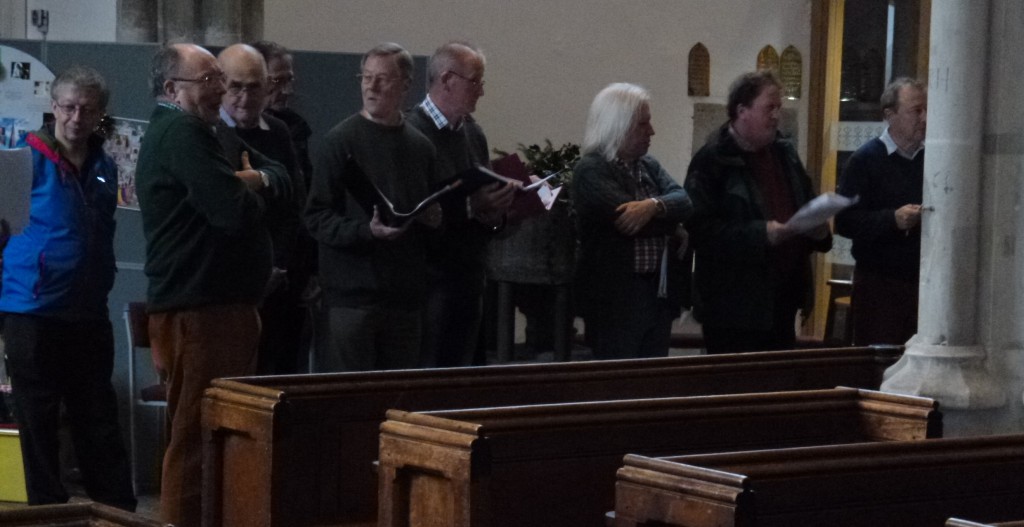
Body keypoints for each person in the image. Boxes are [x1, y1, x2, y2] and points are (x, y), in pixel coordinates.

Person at [135, 43, 289, 526]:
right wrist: (252, 186)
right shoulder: (182, 133)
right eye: (208, 81)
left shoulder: (201, 131)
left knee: (210, 434)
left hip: (218, 309)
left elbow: (284, 176)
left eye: (220, 79)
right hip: (201, 309)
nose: (220, 90)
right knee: (195, 438)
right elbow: (232, 212)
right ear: (170, 90)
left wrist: (255, 178)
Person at [0, 65, 136, 511]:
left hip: (88, 311)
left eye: (88, 110)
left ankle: (116, 510)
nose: (77, 118)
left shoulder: (104, 166)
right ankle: (46, 512)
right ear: (53, 108)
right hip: (32, 310)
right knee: (38, 423)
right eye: (69, 107)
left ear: (100, 115)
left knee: (97, 419)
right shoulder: (24, 160)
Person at [305, 42, 441, 372]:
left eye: (382, 78)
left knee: (396, 401)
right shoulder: (340, 142)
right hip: (352, 300)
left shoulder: (421, 147)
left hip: (404, 298)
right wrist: (367, 231)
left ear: (406, 85)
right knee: (349, 402)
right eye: (366, 77)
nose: (371, 85)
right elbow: (316, 216)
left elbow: (430, 209)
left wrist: (432, 217)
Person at [685, 70, 832, 354]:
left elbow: (807, 203)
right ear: (742, 111)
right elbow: (700, 230)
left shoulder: (785, 154)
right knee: (738, 390)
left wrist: (819, 230)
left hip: (782, 298)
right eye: (769, 107)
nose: (777, 115)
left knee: (777, 388)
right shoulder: (712, 160)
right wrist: (761, 234)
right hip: (733, 307)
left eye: (779, 107)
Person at [406, 41, 515, 368]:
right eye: (475, 81)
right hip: (431, 279)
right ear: (448, 79)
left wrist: (495, 212)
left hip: (470, 274)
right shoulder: (413, 133)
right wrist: (471, 206)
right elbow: (416, 212)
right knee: (431, 372)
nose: (481, 91)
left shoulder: (472, 133)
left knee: (464, 374)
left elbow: (482, 204)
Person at [572, 83, 693, 360]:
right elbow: (629, 222)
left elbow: (685, 202)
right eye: (643, 124)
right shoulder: (591, 170)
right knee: (618, 383)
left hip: (655, 294)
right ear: (619, 126)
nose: (651, 131)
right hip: (616, 299)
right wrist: (671, 225)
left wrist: (653, 205)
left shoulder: (648, 165)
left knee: (651, 381)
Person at [217, 43, 308, 374]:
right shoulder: (208, 133)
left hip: (276, 281)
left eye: (253, 86)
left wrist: (278, 265)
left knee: (274, 377)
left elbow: (292, 204)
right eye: (235, 86)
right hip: (227, 287)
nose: (244, 96)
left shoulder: (280, 132)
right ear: (220, 85)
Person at [835, 77, 926, 346]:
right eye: (916, 111)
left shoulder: (930, 159)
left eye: (926, 110)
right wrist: (892, 219)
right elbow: (844, 222)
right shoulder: (865, 160)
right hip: (879, 285)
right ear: (890, 115)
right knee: (878, 366)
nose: (924, 118)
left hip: (921, 284)